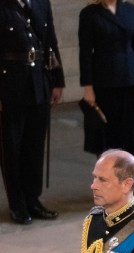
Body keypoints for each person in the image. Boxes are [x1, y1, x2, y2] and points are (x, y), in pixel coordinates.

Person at [0, 0, 64, 225]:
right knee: (11, 148)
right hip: (9, 85)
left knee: (34, 146)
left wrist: (57, 80)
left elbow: (50, 41)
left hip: (39, 82)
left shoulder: (40, 3)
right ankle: (17, 204)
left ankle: (32, 200)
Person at [78, 0, 134, 158]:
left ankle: (128, 177)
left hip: (130, 79)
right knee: (107, 136)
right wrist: (87, 87)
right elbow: (85, 54)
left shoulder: (129, 9)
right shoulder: (89, 13)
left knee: (128, 133)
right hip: (104, 82)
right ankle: (107, 177)